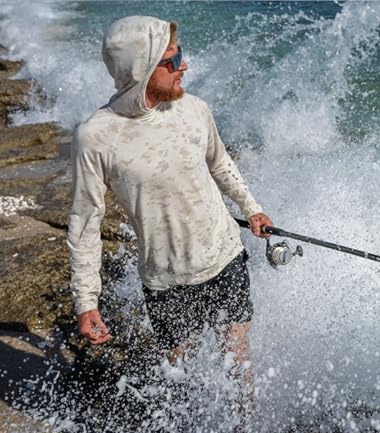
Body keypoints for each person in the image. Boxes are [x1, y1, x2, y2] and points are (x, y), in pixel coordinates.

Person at [67, 15, 271, 393]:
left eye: (181, 57)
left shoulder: (194, 109)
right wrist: (86, 302)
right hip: (164, 279)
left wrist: (251, 208)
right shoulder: (95, 137)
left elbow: (220, 162)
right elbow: (85, 224)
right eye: (173, 61)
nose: (185, 67)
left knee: (237, 362)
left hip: (224, 255)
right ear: (141, 67)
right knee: (178, 374)